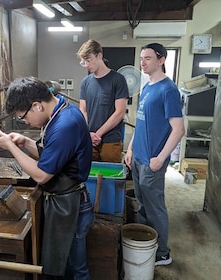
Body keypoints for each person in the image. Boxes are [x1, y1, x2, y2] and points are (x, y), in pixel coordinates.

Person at [0, 77, 94, 280]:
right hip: (66, 200)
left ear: (37, 106)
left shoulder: (65, 124)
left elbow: (41, 175)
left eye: (23, 117)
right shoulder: (64, 109)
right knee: (68, 265)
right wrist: (26, 142)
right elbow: (55, 154)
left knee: (77, 269)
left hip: (71, 205)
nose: (25, 122)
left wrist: (12, 147)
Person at [124, 43, 185, 266]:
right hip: (138, 157)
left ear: (161, 60)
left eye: (148, 58)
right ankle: (146, 245)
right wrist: (130, 149)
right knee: (141, 205)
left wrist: (160, 158)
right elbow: (140, 124)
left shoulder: (168, 90)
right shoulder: (148, 86)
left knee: (155, 208)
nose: (143, 62)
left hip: (152, 162)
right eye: (141, 58)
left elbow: (179, 129)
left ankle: (162, 253)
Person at [77, 39, 129, 163]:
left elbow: (120, 112)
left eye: (88, 60)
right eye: (83, 62)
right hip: (89, 138)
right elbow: (83, 110)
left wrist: (98, 134)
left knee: (109, 178)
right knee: (88, 177)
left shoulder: (118, 80)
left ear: (99, 55)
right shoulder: (85, 82)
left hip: (110, 140)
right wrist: (88, 133)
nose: (86, 65)